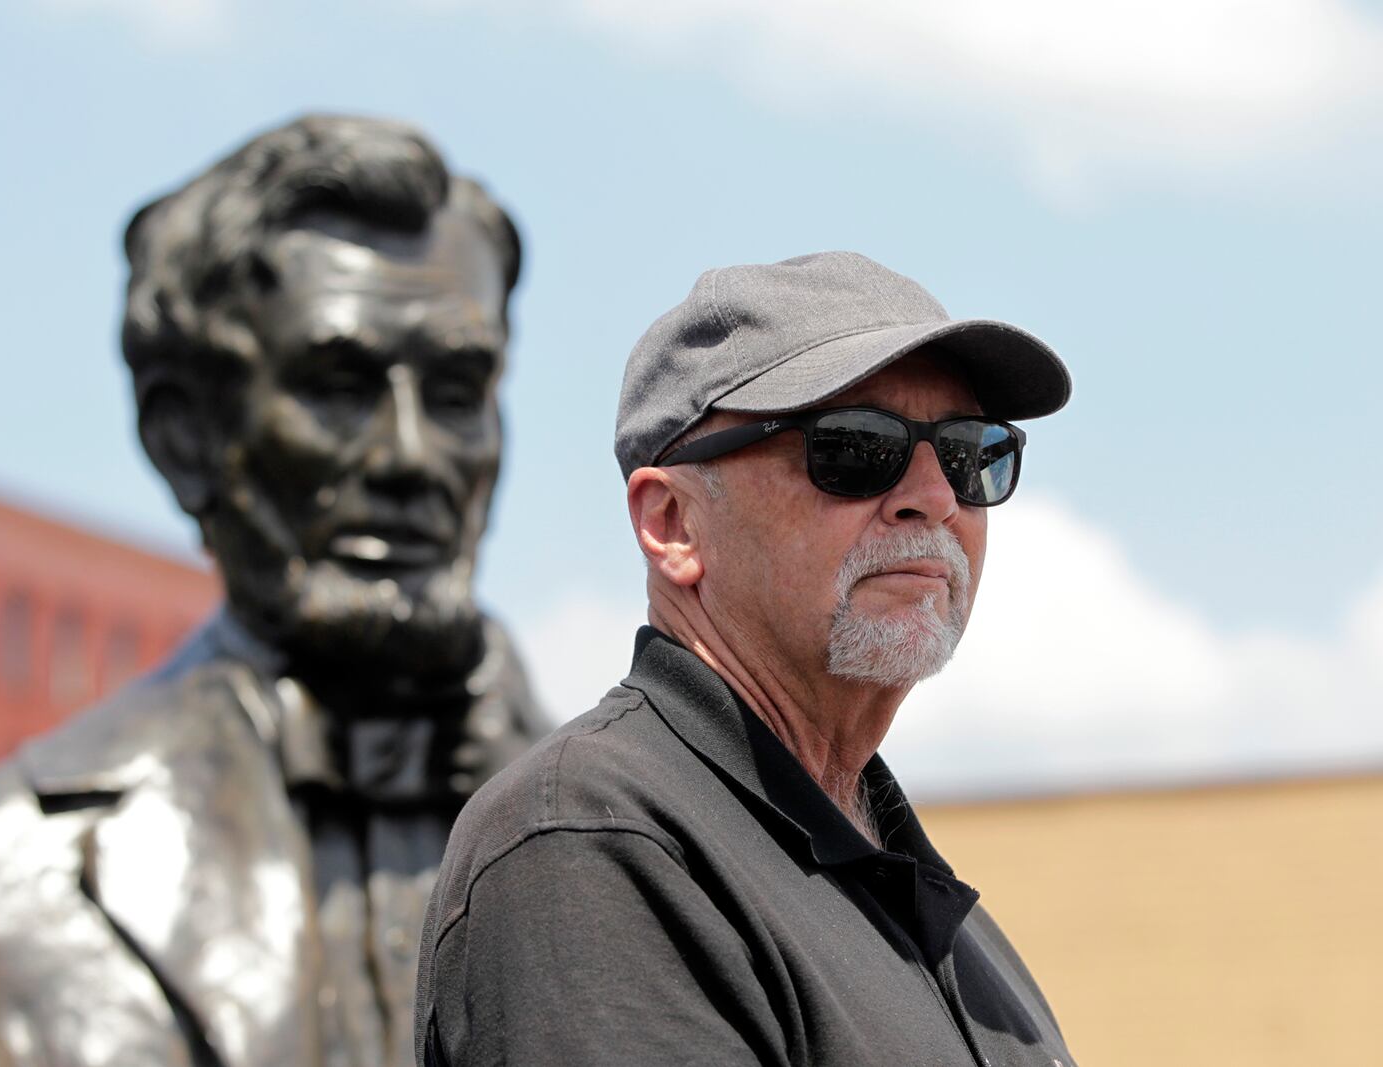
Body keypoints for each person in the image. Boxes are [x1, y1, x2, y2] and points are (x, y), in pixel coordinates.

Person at [0, 115, 547, 1067]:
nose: (410, 456)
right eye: (339, 387)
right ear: (185, 435)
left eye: (457, 392)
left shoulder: (684, 861)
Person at [415, 251, 1079, 1066]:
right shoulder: (591, 846)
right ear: (673, 522)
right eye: (855, 447)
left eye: (969, 451)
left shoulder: (958, 932)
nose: (934, 495)